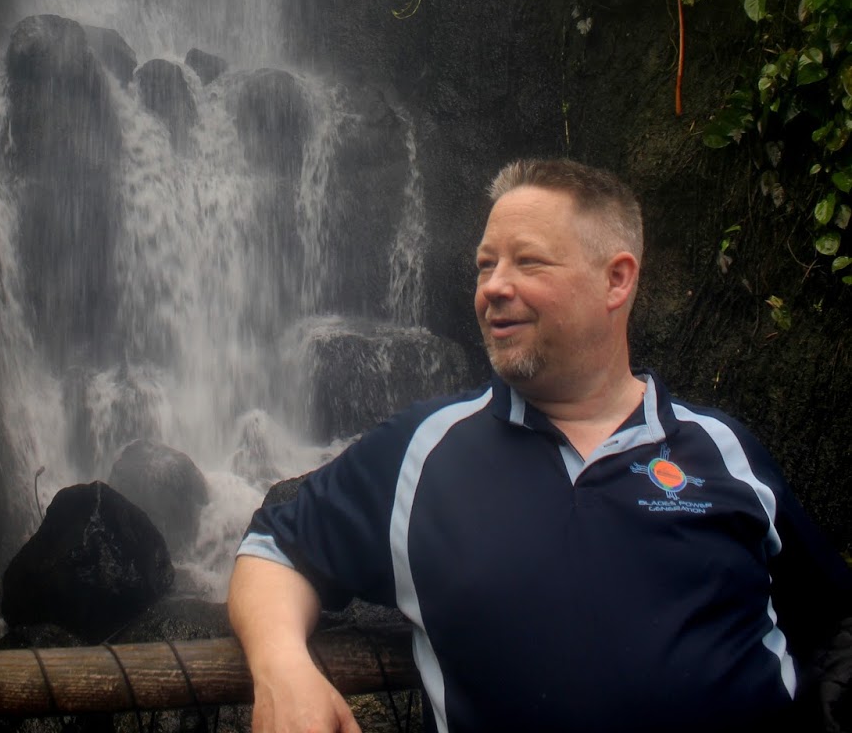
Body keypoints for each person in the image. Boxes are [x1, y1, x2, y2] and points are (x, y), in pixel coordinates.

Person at [228, 157, 852, 733]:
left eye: (527, 262)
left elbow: (832, 619)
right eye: (485, 264)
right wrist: (283, 667)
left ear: (616, 280)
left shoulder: (724, 451)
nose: (493, 286)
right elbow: (275, 548)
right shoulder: (421, 451)